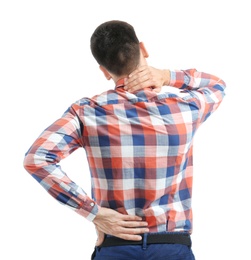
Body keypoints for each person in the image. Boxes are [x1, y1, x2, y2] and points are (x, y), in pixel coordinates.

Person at [23, 20, 226, 260]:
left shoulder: (86, 112)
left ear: (104, 71)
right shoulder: (185, 108)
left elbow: (37, 159)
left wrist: (94, 213)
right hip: (172, 247)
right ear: (143, 49)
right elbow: (217, 85)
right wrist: (167, 76)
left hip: (115, 247)